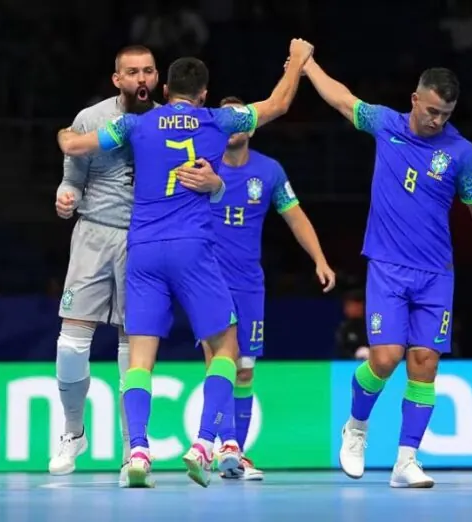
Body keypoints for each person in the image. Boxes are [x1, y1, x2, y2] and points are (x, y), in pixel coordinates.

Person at [57, 38, 315, 488]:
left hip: (144, 251)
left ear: (165, 86)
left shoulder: (134, 124)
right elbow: (279, 102)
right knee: (227, 349)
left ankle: (137, 452)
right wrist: (295, 62)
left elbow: (79, 146)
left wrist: (63, 136)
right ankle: (203, 443)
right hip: (193, 250)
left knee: (139, 359)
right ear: (203, 93)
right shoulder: (219, 120)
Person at [301, 57, 472, 488]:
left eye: (446, 115)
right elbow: (342, 100)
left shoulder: (461, 152)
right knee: (385, 357)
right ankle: (356, 428)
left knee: (425, 363)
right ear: (415, 100)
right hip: (388, 267)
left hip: (437, 272)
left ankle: (406, 460)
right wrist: (307, 66)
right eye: (431, 110)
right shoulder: (386, 125)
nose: (437, 120)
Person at [50, 45, 223, 483]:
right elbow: (73, 170)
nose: (141, 78)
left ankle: (134, 451)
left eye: (148, 71)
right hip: (93, 233)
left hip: (144, 241)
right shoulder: (94, 118)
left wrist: (216, 184)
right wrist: (65, 195)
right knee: (71, 344)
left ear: (158, 79)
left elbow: (211, 174)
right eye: (132, 72)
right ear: (117, 80)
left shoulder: (167, 122)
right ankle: (73, 431)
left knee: (134, 347)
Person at [179, 95, 336, 481]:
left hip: (249, 283)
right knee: (222, 363)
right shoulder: (200, 165)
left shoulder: (269, 171)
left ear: (250, 125)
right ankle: (224, 446)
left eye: (241, 118)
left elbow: (295, 216)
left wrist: (319, 258)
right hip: (207, 280)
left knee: (245, 369)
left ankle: (235, 456)